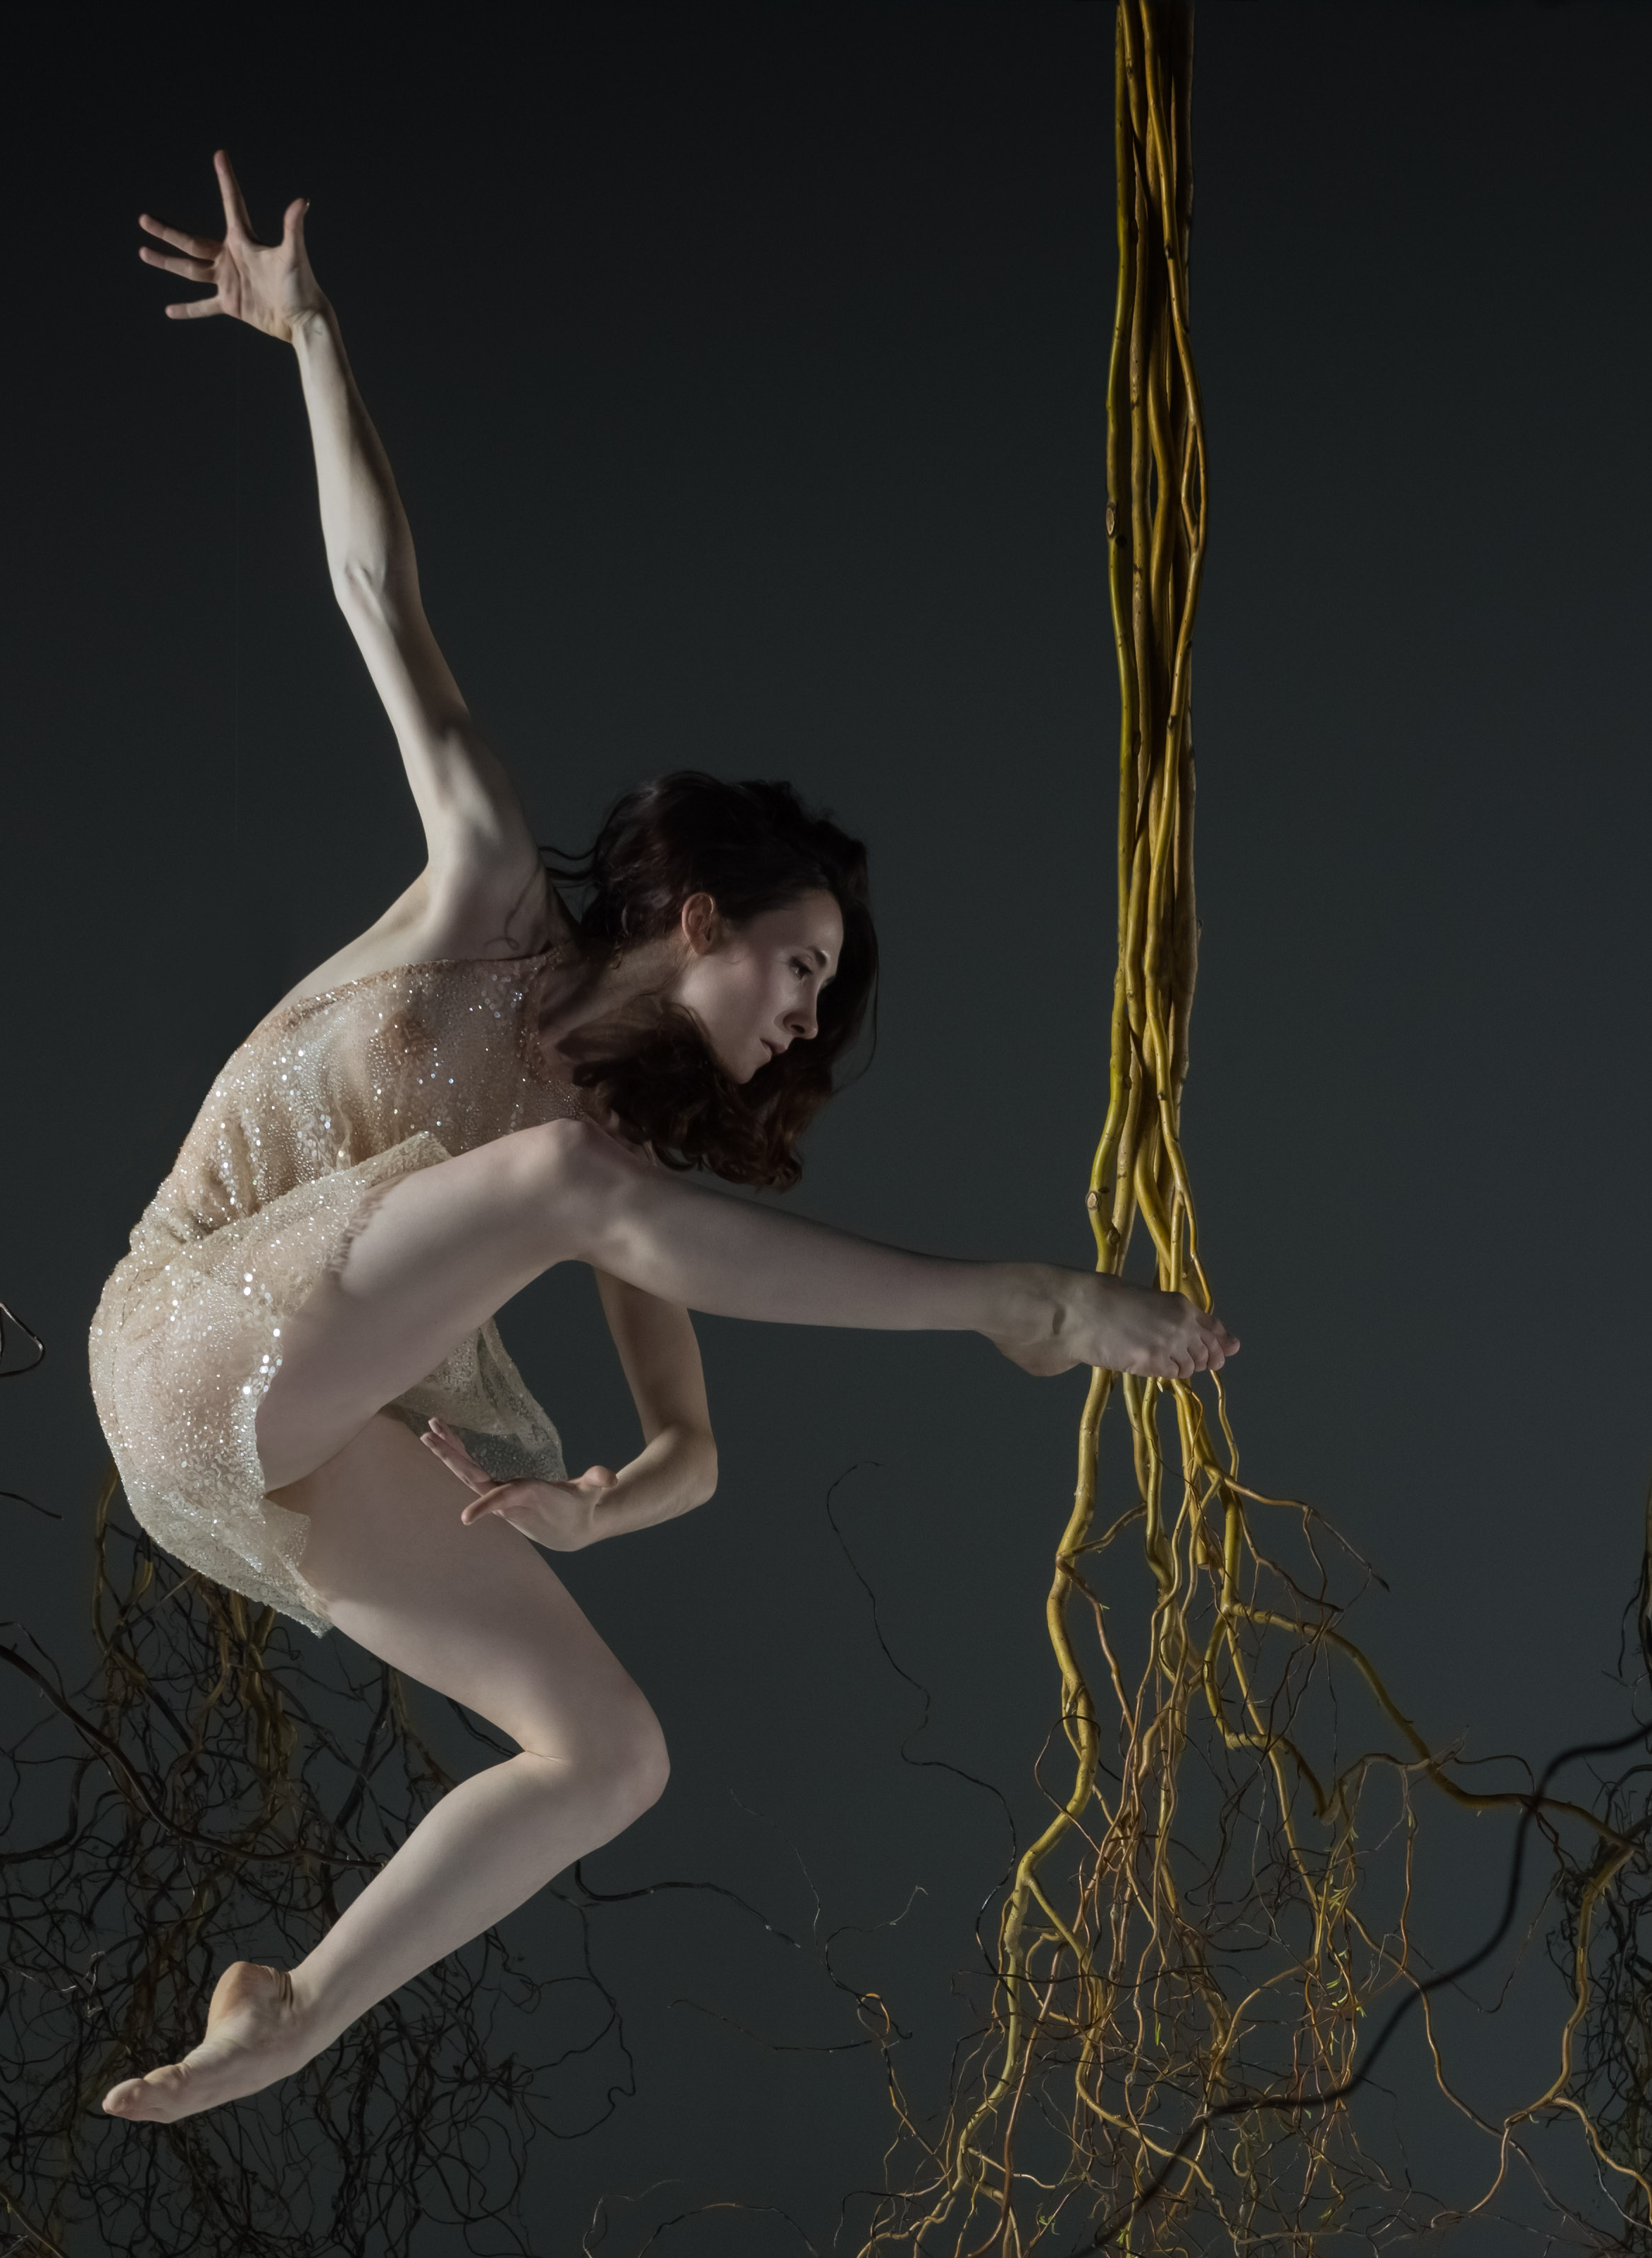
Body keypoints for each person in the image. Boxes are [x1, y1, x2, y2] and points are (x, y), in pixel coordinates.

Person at [88, 156, 1233, 2126]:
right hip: (176, 1338)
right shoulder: (483, 898)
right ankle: (1018, 1306)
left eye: (822, 999)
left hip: (285, 1444)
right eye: (798, 967)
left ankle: (292, 2015)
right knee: (567, 1195)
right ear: (700, 913)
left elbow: (689, 1446)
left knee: (612, 1757)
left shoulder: (606, 1166)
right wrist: (313, 336)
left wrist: (595, 1509)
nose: (803, 1019)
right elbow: (379, 594)